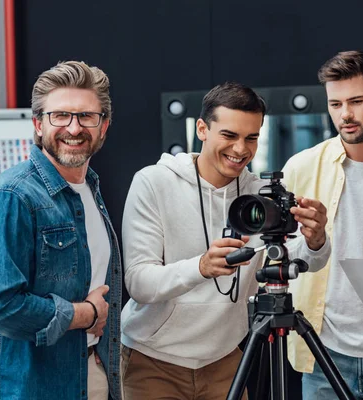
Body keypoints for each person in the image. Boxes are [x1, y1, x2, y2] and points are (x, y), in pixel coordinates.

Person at [120, 81, 331, 400]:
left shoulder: (258, 196)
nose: (240, 150)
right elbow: (138, 282)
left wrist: (316, 239)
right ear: (202, 129)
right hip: (153, 361)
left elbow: (301, 259)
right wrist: (201, 267)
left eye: (251, 138)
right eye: (229, 135)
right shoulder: (154, 182)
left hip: (225, 360)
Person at [0, 61, 122, 400]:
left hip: (90, 375)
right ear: (39, 124)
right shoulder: (11, 197)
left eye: (86, 116)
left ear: (104, 126)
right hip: (28, 389)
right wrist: (87, 313)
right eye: (60, 116)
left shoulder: (90, 190)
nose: (73, 127)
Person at [282, 50, 363, 399]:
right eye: (335, 104)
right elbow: (280, 253)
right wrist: (312, 240)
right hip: (324, 351)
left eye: (356, 101)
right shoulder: (301, 167)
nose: (345, 114)